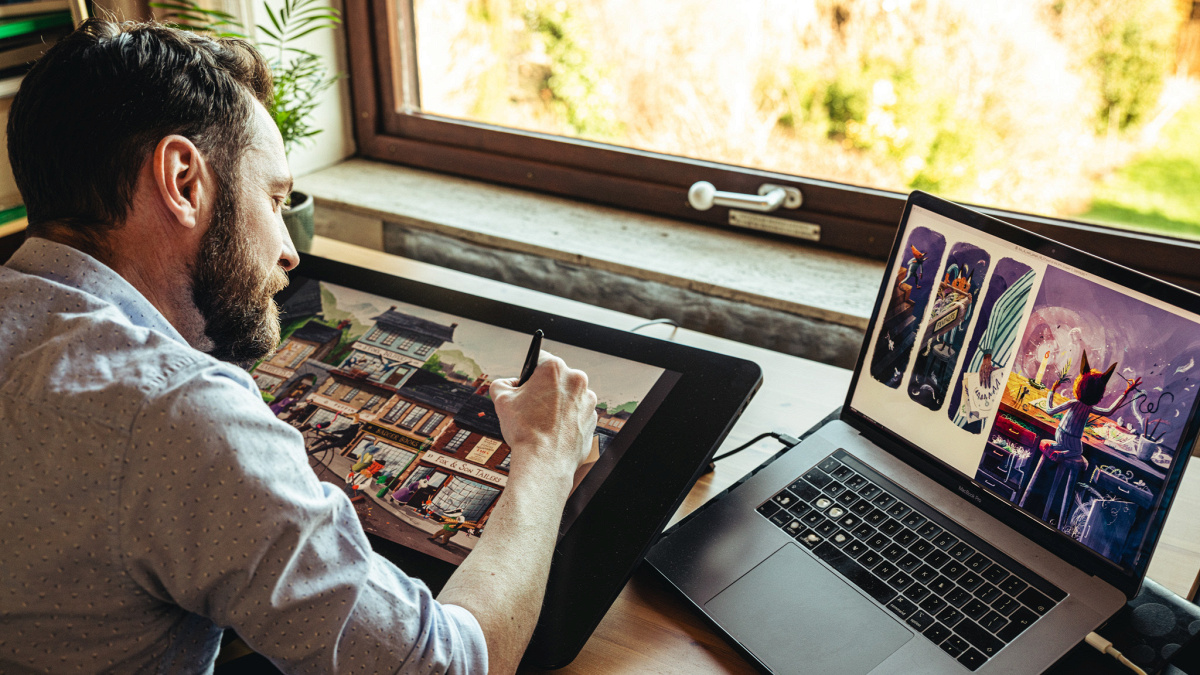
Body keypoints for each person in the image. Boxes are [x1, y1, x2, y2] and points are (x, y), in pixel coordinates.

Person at [0, 19, 597, 675]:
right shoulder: (171, 412)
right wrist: (545, 456)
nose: (288, 249)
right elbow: (450, 668)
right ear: (183, 179)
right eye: (274, 197)